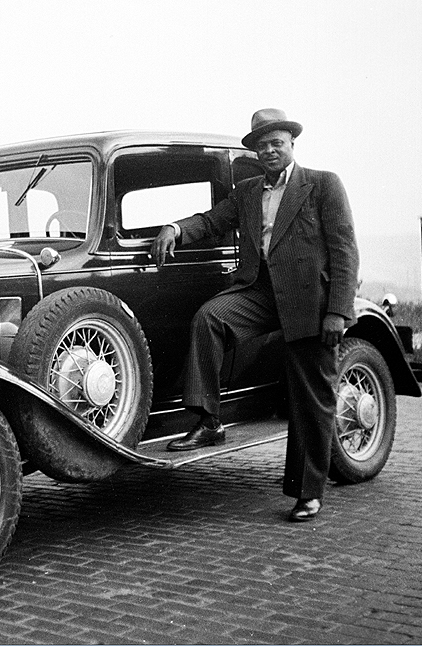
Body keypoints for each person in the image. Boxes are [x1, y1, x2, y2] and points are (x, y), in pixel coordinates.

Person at [151, 108, 359, 522]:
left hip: (308, 303)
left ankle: (308, 493)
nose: (269, 150)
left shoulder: (322, 185)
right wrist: (176, 228)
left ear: (291, 144)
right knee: (210, 317)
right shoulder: (247, 191)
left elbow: (345, 250)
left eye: (276, 142)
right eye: (261, 145)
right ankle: (210, 420)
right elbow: (212, 221)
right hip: (260, 291)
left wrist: (337, 311)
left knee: (310, 397)